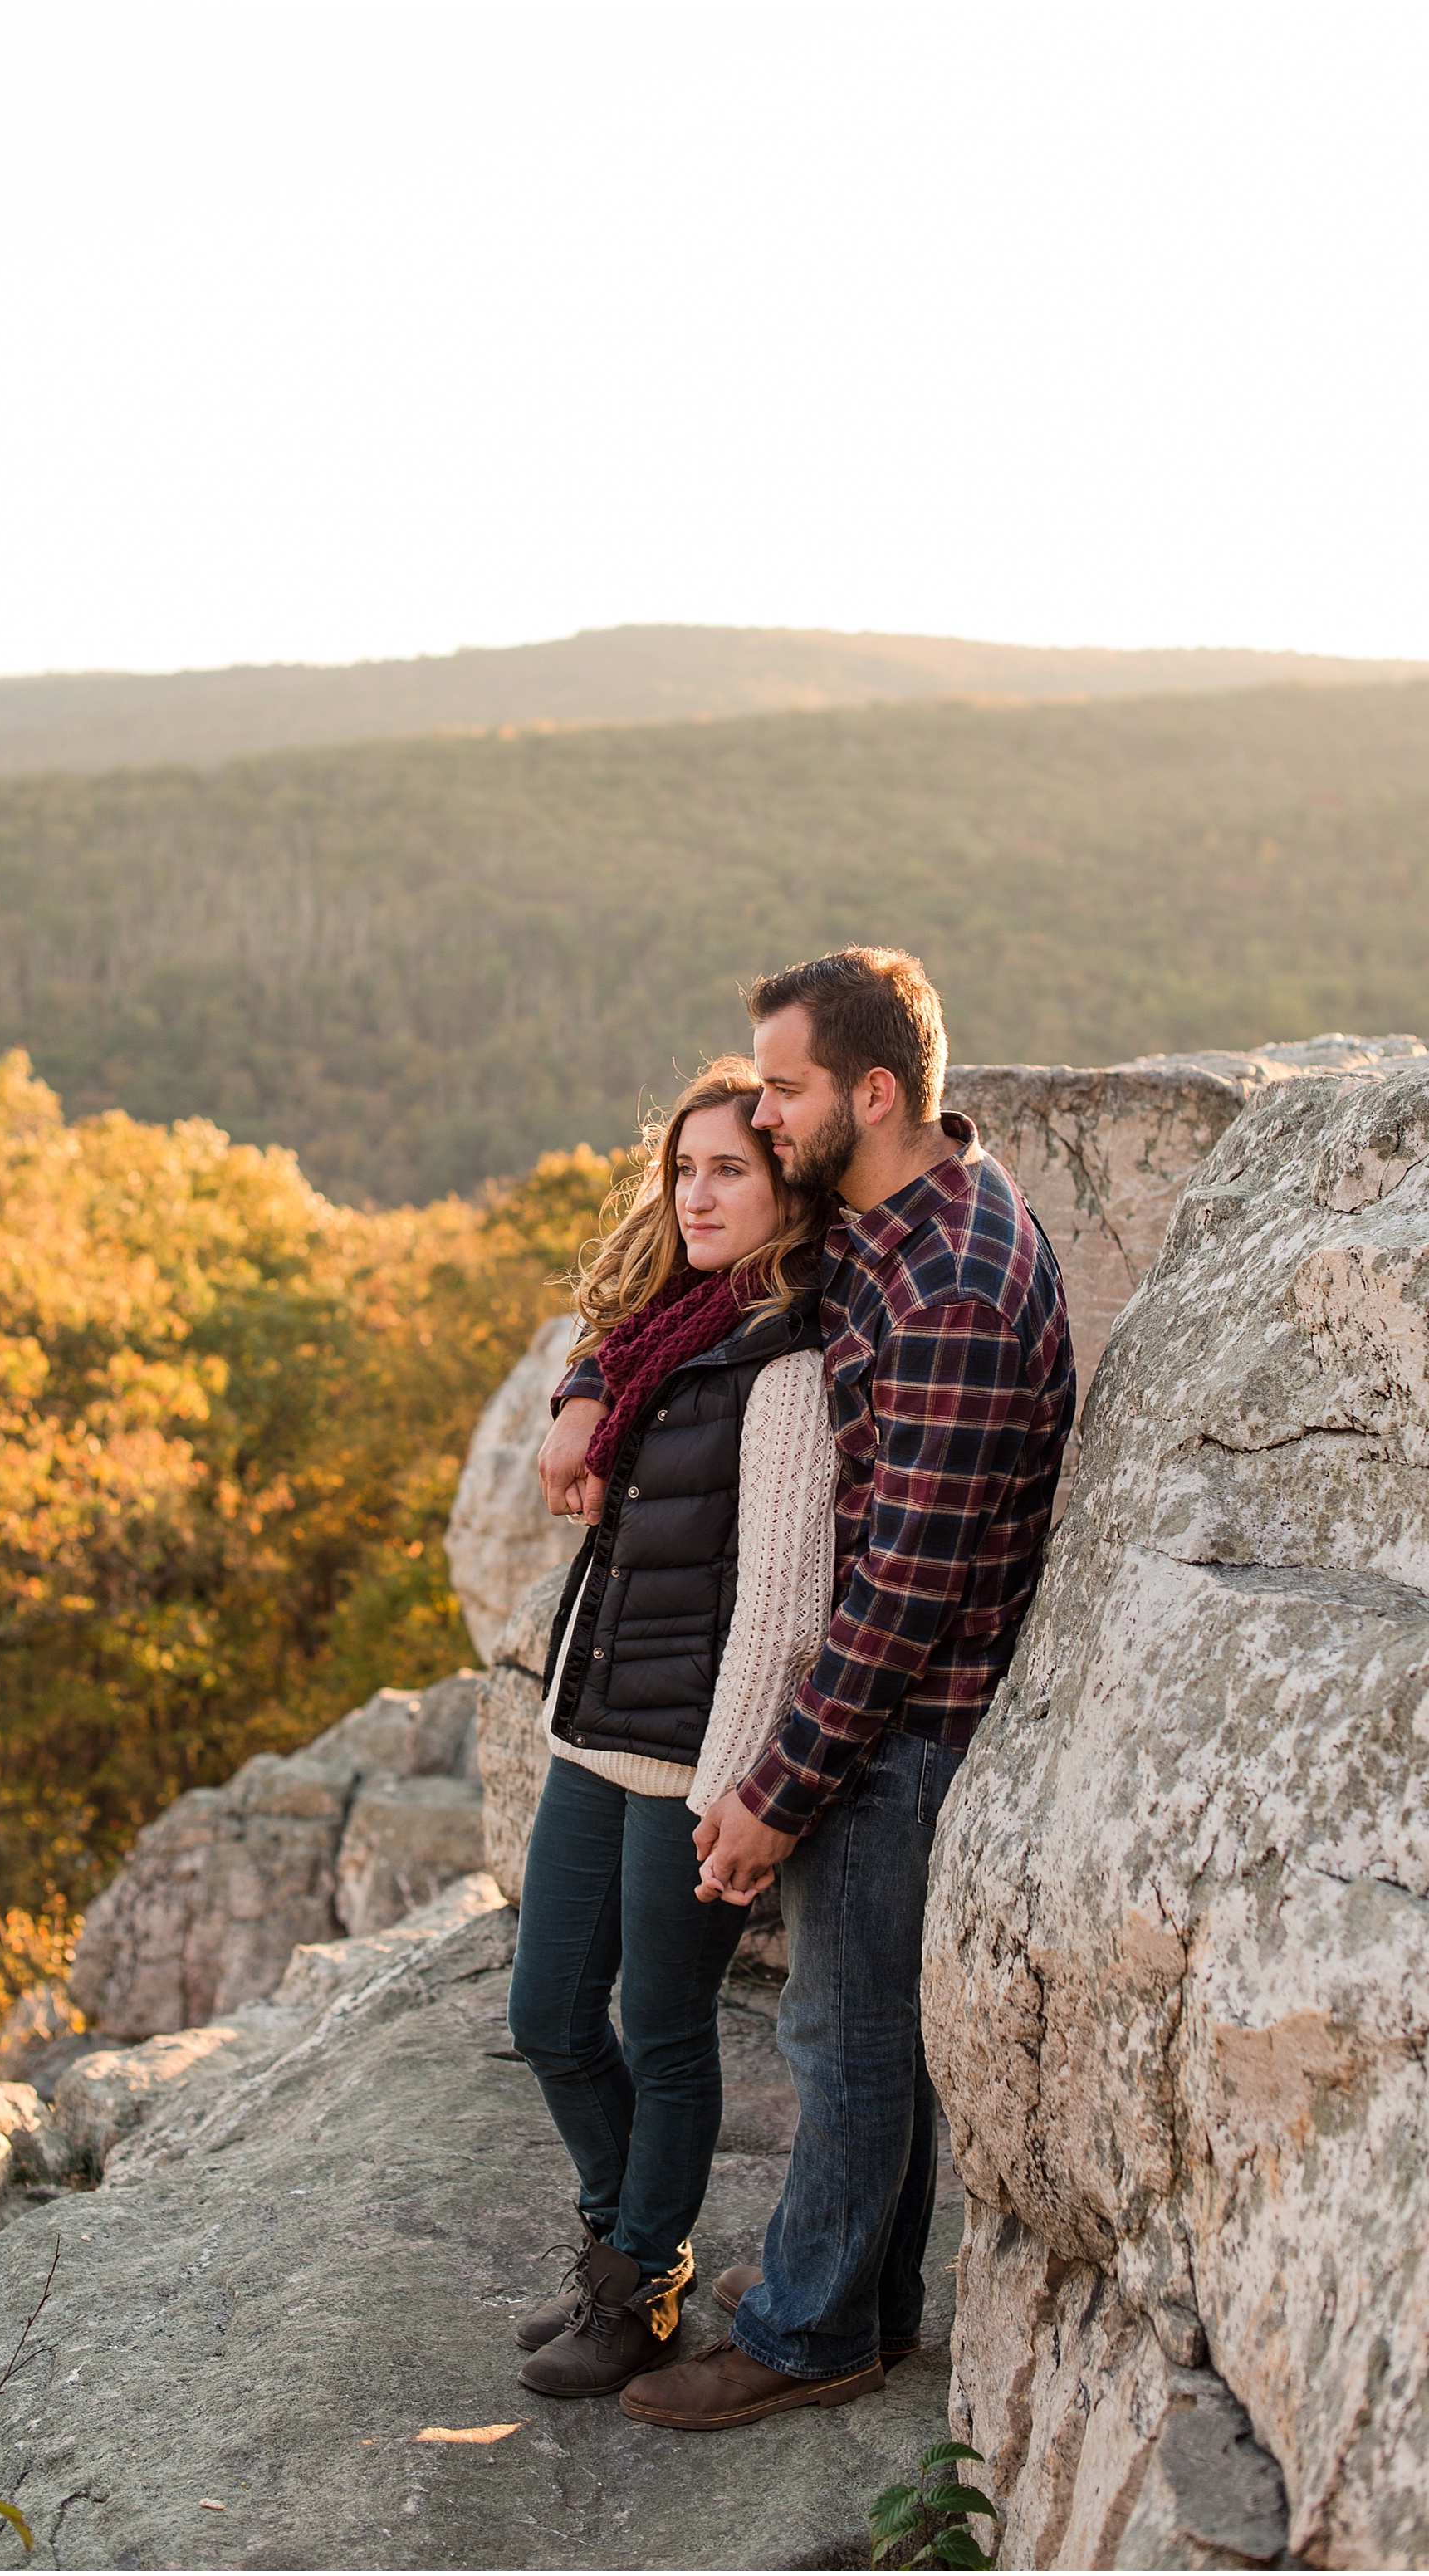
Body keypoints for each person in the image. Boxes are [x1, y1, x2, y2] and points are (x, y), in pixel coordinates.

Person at [545, 947, 1075, 2430]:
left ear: (875, 1091)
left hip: (901, 1727)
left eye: (784, 1089)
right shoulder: (886, 1222)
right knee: (856, 2034)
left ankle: (805, 2330)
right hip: (867, 1708)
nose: (767, 1117)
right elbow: (677, 1288)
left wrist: (774, 1790)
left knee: (839, 2037)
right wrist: (581, 1385)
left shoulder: (955, 1278)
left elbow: (903, 1588)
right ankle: (868, 2302)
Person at [507, 1059, 839, 2400]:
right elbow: (602, 1347)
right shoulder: (667, 1322)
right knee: (545, 2013)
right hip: (598, 1723)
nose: (698, 1194)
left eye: (731, 1171)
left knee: (663, 2026)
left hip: (697, 1753)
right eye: (685, 1169)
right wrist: (578, 1395)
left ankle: (638, 2278)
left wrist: (739, 1783)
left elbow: (783, 1604)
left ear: (784, 1190)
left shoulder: (791, 1358)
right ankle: (623, 2238)